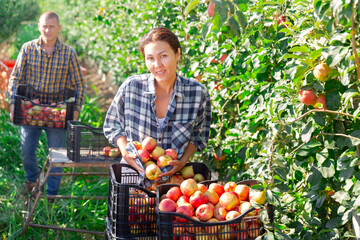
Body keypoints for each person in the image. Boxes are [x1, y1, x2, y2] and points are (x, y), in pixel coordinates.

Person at [103, 27, 211, 180]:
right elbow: (112, 125)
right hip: (134, 177)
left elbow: (198, 135)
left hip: (175, 185)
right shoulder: (131, 87)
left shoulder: (197, 93)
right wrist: (125, 152)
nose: (157, 64)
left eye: (164, 56)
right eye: (150, 58)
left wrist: (182, 161)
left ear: (177, 54)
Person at [8, 11, 85, 198]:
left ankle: (51, 194)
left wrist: (75, 111)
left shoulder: (68, 53)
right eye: (44, 26)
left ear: (58, 28)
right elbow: (15, 78)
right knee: (27, 151)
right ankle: (32, 180)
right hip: (30, 109)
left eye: (51, 26)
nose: (48, 30)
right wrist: (12, 103)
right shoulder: (27, 49)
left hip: (57, 110)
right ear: (38, 26)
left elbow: (79, 85)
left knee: (57, 155)